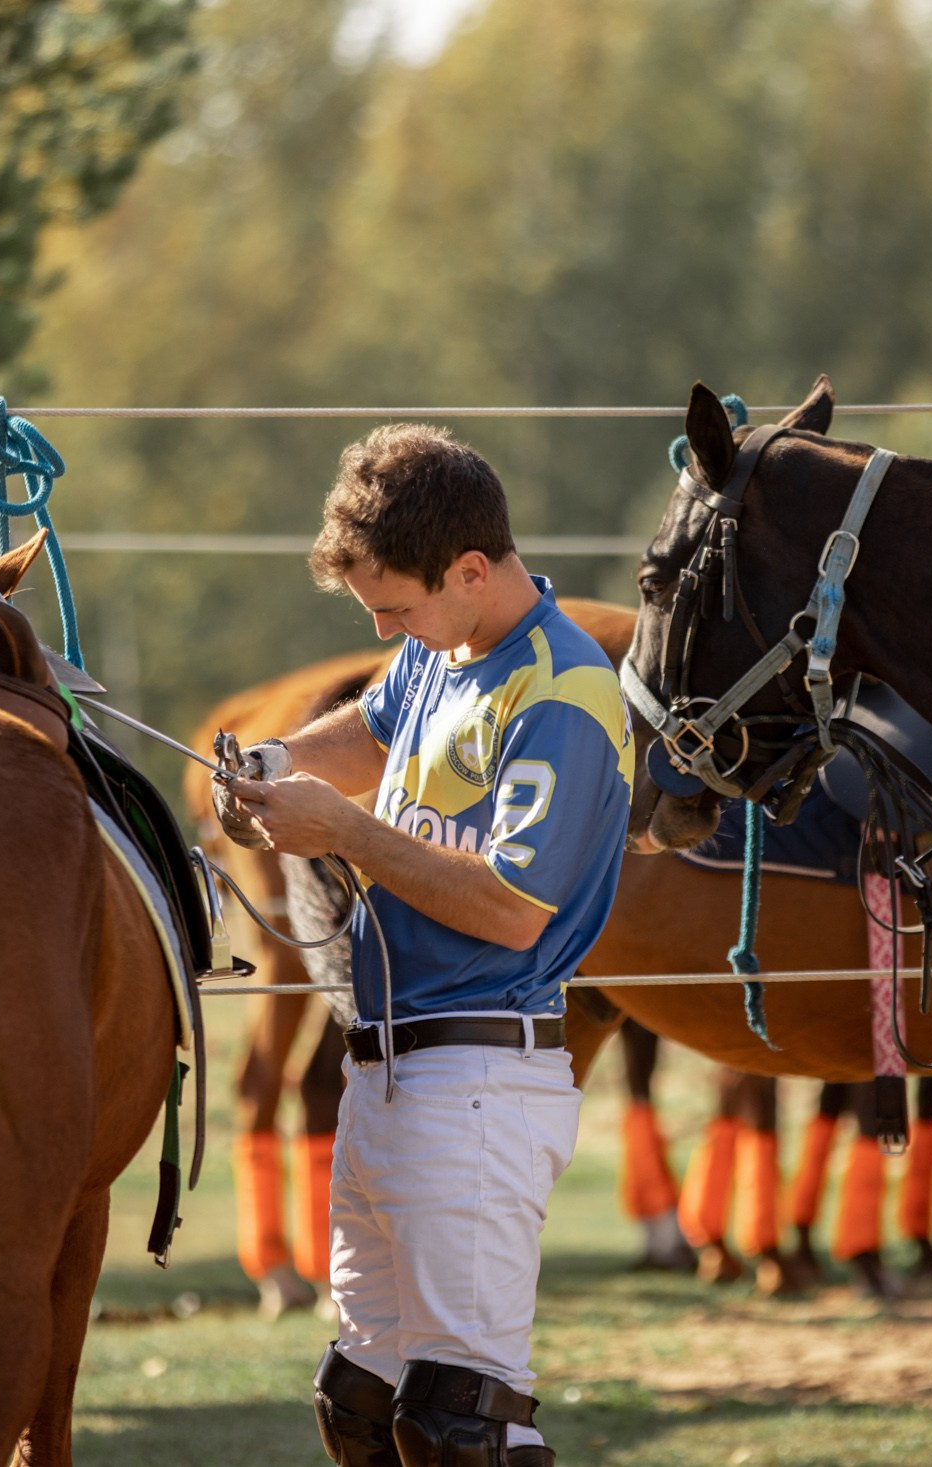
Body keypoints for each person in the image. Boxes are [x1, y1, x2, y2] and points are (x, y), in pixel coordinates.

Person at [217, 424, 631, 1467]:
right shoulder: (440, 649)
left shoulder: (564, 692)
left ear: (471, 570)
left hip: (478, 1080)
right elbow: (372, 728)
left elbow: (513, 908)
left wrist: (344, 832)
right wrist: (275, 764)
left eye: (395, 607)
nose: (384, 627)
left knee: (463, 1424)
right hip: (389, 1069)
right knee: (362, 1400)